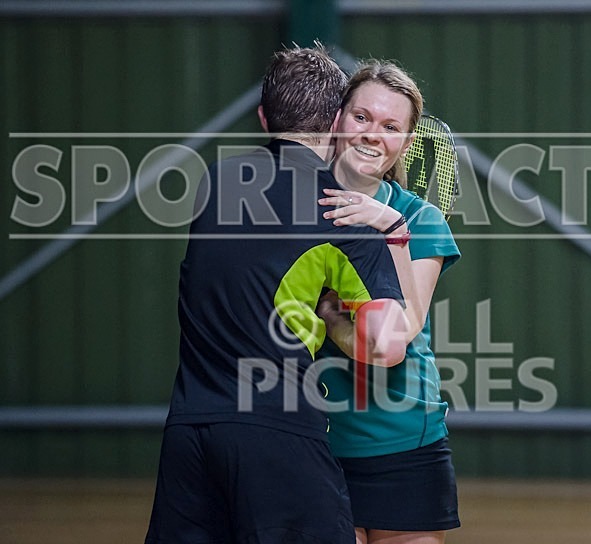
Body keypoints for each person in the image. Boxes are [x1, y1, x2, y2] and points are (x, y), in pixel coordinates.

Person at [145, 45, 411, 544]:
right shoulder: (346, 216)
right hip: (279, 433)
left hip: (189, 433)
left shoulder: (216, 183)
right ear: (336, 122)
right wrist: (337, 314)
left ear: (264, 115)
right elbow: (386, 345)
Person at [316, 61, 461, 544]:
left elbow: (407, 325)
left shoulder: (420, 218)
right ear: (337, 120)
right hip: (314, 441)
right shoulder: (294, 209)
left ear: (405, 142)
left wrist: (391, 229)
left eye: (391, 127)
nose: (373, 134)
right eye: (362, 117)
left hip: (404, 439)